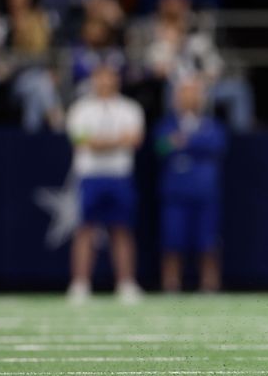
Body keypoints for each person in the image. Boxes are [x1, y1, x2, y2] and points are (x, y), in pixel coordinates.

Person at [65, 65, 145, 304]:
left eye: (110, 77)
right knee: (85, 230)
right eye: (101, 78)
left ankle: (126, 283)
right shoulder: (80, 109)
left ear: (116, 80)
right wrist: (116, 141)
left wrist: (100, 142)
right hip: (90, 175)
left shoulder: (130, 108)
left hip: (120, 175)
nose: (105, 82)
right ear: (94, 80)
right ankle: (80, 284)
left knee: (122, 229)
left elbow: (135, 140)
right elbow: (82, 142)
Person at [155, 77, 227, 292]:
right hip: (175, 193)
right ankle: (171, 285)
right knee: (172, 241)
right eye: (185, 93)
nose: (190, 98)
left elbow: (217, 145)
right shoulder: (166, 124)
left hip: (205, 192)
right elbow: (160, 147)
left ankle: (210, 285)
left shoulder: (211, 125)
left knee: (209, 242)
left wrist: (184, 142)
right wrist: (178, 143)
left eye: (194, 93)